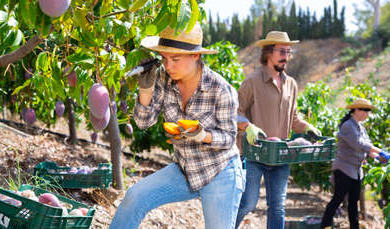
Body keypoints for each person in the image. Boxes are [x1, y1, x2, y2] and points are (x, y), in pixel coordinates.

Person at [109, 23, 245, 229]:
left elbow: (228, 138)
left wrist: (202, 135)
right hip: (184, 169)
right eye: (164, 58)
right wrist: (145, 90)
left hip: (220, 172)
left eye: (175, 59)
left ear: (195, 56)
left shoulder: (220, 89)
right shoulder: (164, 78)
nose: (168, 65)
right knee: (134, 197)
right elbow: (143, 122)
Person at [235, 31, 321, 229]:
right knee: (247, 203)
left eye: (288, 51)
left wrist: (307, 127)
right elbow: (235, 113)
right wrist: (248, 126)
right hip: (254, 154)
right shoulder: (252, 82)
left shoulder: (291, 84)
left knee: (277, 207)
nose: (286, 56)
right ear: (268, 52)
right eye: (282, 51)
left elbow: (293, 119)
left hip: (281, 154)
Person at [320, 98, 390, 229]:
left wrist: (378, 157)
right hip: (344, 168)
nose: (367, 113)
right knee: (338, 199)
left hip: (356, 171)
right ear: (356, 110)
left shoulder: (361, 127)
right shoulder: (348, 125)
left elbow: (367, 148)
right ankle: (324, 226)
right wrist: (381, 151)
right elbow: (359, 144)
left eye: (368, 111)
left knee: (354, 203)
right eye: (364, 110)